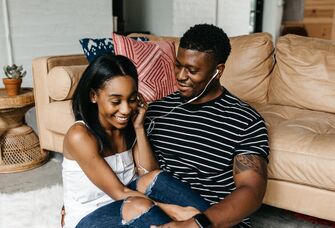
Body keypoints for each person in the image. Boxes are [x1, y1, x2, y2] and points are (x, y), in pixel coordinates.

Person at [61, 53, 210, 228]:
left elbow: (148, 171)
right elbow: (119, 192)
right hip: (89, 216)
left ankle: (213, 220)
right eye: (116, 101)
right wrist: (175, 211)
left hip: (129, 198)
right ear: (93, 96)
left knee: (156, 177)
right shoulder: (80, 135)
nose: (125, 110)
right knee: (141, 205)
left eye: (131, 99)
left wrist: (139, 127)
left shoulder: (128, 124)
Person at [146, 24, 269, 228]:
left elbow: (251, 190)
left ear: (217, 71)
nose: (181, 76)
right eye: (178, 65)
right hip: (162, 206)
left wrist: (196, 223)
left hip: (210, 218)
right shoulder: (158, 109)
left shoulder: (245, 120)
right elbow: (145, 173)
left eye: (192, 70)